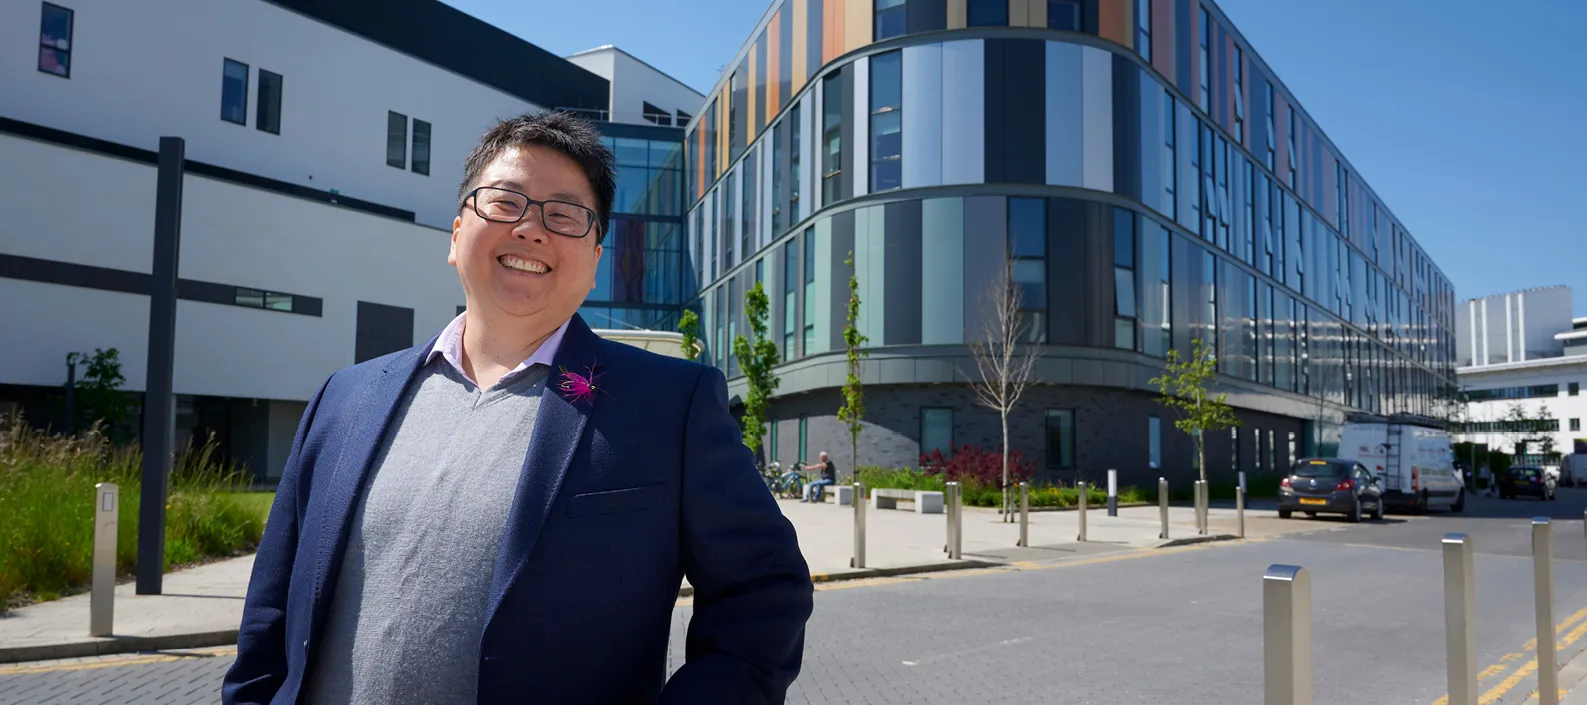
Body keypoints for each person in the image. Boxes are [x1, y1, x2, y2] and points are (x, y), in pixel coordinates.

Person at [222, 112, 814, 705]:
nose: (531, 229)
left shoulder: (668, 407)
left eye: (563, 214)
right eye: (505, 202)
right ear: (455, 235)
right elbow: (271, 613)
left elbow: (765, 592)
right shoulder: (344, 398)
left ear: (595, 260)